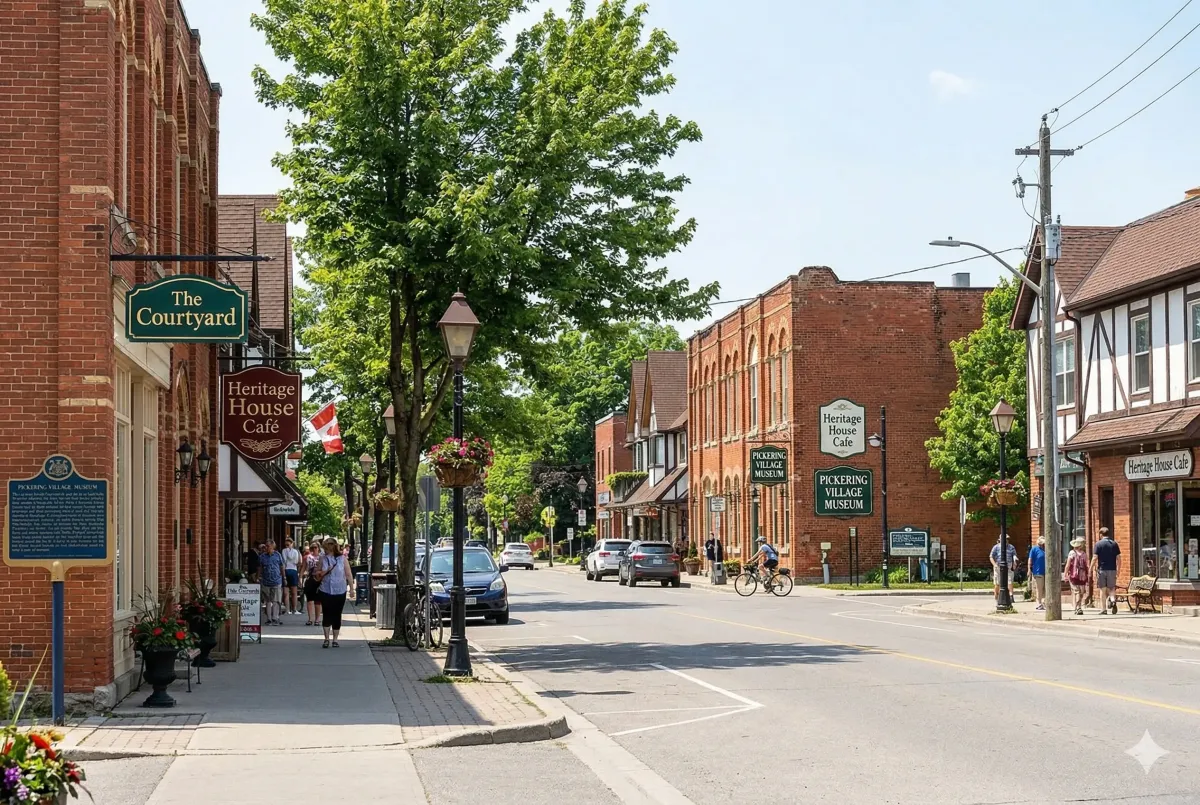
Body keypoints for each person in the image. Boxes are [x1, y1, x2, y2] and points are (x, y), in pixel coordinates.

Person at [315, 537, 353, 648]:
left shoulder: (342, 559)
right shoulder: (322, 559)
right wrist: (324, 571)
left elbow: (348, 574)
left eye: (326, 548)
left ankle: (335, 639)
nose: (325, 550)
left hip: (340, 589)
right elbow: (317, 574)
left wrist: (351, 589)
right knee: (326, 613)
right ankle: (326, 638)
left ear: (332, 547)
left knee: (337, 614)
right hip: (325, 589)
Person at [1092, 526, 1121, 615]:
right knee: (1112, 588)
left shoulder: (1098, 544)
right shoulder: (1114, 544)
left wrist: (1090, 568)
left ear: (1101, 534)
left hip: (1102, 569)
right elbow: (1119, 558)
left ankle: (1103, 609)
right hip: (1112, 569)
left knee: (1103, 590)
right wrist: (1118, 569)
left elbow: (1095, 557)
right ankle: (1113, 600)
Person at [258, 540, 287, 626]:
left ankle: (275, 618)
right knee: (267, 601)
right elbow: (259, 567)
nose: (266, 548)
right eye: (265, 546)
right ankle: (269, 619)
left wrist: (284, 577)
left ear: (273, 547)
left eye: (268, 546)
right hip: (266, 581)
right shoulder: (262, 556)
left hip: (276, 580)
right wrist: (258, 577)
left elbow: (282, 566)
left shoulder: (278, 555)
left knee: (276, 601)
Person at [990, 535, 1017, 606]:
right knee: (997, 583)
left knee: (1010, 581)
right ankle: (996, 597)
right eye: (1005, 539)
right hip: (998, 566)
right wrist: (994, 565)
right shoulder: (996, 547)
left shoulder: (1011, 547)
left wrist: (1014, 562)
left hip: (1008, 566)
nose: (1006, 540)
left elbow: (1014, 555)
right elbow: (991, 556)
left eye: (1007, 539)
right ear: (1000, 539)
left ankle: (1011, 596)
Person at [1065, 537, 1090, 616]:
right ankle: (1078, 607)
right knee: (1079, 592)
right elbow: (1068, 564)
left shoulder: (1078, 553)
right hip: (1078, 576)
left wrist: (1066, 574)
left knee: (1079, 592)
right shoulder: (1078, 553)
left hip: (1078, 576)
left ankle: (1077, 607)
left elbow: (1068, 564)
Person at [302, 541, 323, 626]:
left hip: (319, 580)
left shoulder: (322, 557)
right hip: (310, 579)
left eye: (315, 547)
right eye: (312, 548)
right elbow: (303, 568)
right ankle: (310, 618)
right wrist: (300, 578)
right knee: (309, 600)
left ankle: (317, 619)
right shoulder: (307, 557)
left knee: (318, 601)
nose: (314, 549)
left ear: (318, 548)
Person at [281, 537, 302, 615]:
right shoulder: (296, 551)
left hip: (286, 570)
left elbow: (284, 560)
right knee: (294, 592)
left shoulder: (283, 551)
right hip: (293, 570)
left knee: (286, 592)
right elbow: (297, 562)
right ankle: (294, 609)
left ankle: (287, 610)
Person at [1028, 536, 1047, 611]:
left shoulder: (1044, 549)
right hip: (1038, 571)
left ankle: (1044, 602)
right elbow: (1030, 559)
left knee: (1045, 588)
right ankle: (1039, 603)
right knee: (1039, 588)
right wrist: (1029, 570)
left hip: (1046, 572)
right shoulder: (1034, 549)